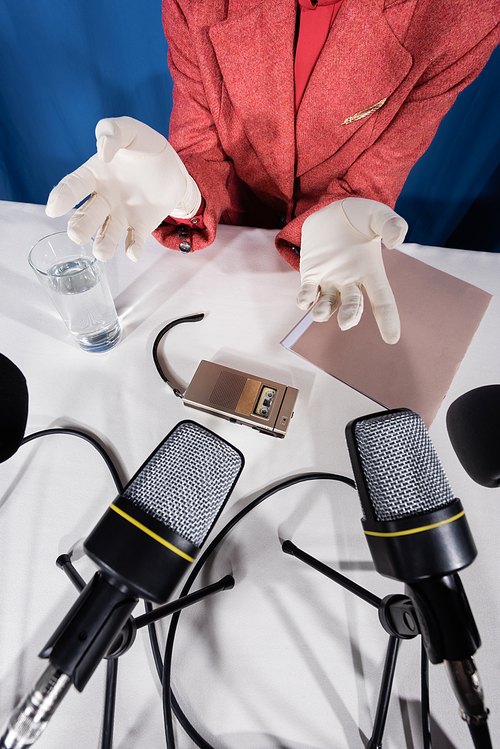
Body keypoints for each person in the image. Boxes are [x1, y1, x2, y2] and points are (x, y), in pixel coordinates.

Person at [46, 0, 500, 344]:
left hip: (335, 258)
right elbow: (200, 145)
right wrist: (185, 194)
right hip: (226, 256)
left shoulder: (466, 14)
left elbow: (380, 169)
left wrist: (349, 208)